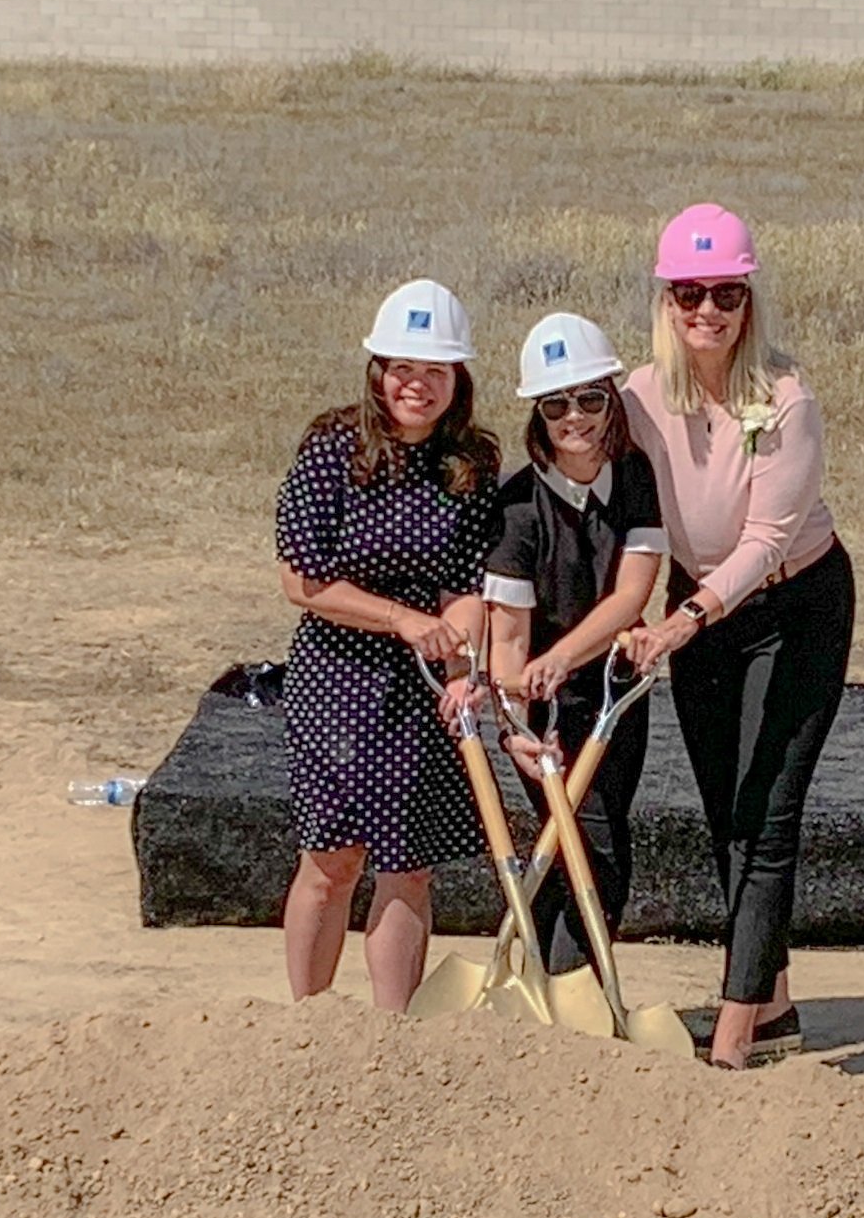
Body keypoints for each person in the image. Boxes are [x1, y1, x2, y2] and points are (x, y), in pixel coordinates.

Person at [622, 204, 854, 1070]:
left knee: (767, 814)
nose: (707, 312)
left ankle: (730, 1036)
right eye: (688, 294)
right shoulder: (639, 397)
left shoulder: (786, 400)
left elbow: (763, 542)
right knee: (725, 813)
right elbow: (623, 510)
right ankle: (772, 1004)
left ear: (749, 302)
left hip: (794, 610)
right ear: (666, 302)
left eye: (724, 294)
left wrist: (680, 621)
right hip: (699, 616)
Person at [274, 278, 500, 1012]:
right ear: (378, 371)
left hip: (421, 690)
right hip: (336, 677)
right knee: (332, 858)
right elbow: (303, 581)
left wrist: (463, 663)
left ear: (455, 380)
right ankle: (307, 1019)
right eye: (404, 368)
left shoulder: (470, 464)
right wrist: (400, 620)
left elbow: (468, 581)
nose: (417, 385)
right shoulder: (330, 450)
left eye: (435, 371)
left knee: (408, 864)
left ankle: (390, 1037)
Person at [483, 311, 668, 974]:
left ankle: (540, 992)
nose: (575, 417)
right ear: (537, 413)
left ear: (610, 400)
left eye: (590, 398)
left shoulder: (635, 476)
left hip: (612, 690)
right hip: (538, 705)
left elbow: (629, 594)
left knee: (592, 837)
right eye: (556, 403)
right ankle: (557, 996)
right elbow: (506, 646)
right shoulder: (518, 509)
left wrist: (569, 656)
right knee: (588, 851)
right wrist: (514, 728)